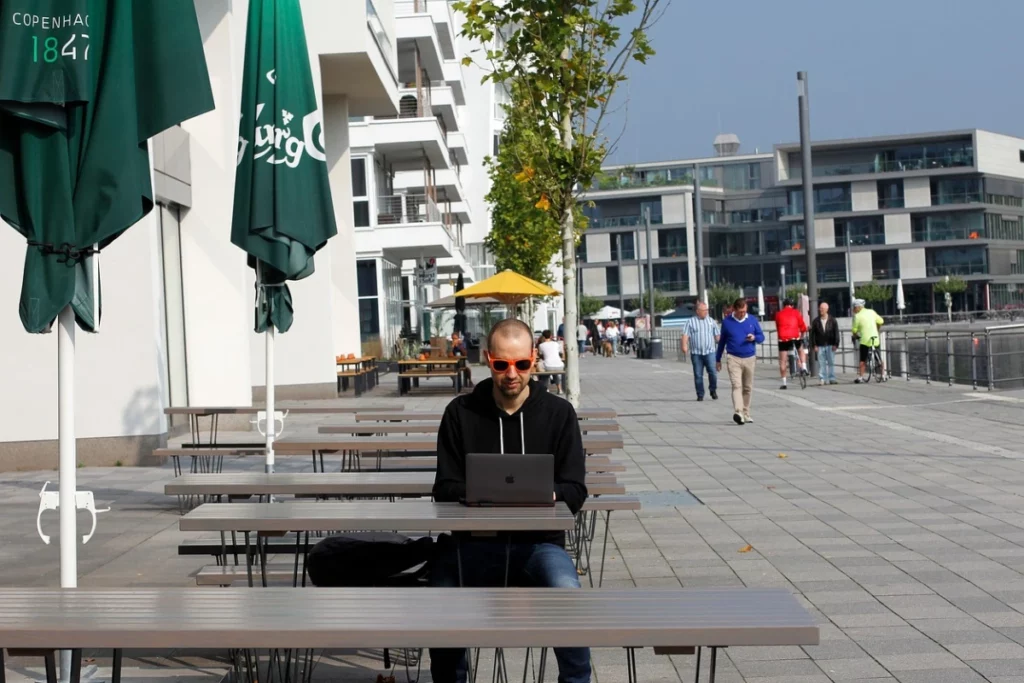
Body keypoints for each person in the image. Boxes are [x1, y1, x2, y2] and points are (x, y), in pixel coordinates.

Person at [431, 318, 590, 683]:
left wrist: (547, 494)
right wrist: (481, 494)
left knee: (568, 592)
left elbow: (576, 490)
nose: (512, 374)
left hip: (539, 545)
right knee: (440, 598)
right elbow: (444, 486)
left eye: (521, 363)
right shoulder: (460, 413)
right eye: (502, 364)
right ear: (488, 360)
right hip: (472, 546)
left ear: (534, 359)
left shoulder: (558, 413)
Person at [716, 298, 764, 425]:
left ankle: (746, 412)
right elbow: (722, 342)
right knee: (736, 385)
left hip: (749, 357)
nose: (743, 314)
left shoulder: (752, 320)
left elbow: (761, 337)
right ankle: (738, 412)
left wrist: (754, 337)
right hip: (733, 358)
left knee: (747, 387)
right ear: (734, 309)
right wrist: (718, 359)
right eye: (740, 312)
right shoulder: (727, 322)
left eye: (744, 311)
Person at [681, 302, 721, 401]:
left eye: (707, 310)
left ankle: (713, 389)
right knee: (698, 374)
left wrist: (723, 341)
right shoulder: (690, 322)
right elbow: (685, 335)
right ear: (698, 311)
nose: (706, 312)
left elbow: (717, 336)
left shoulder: (711, 321)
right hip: (696, 353)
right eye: (704, 310)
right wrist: (684, 346)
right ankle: (700, 394)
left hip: (710, 352)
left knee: (713, 372)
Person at [774, 298, 808, 390]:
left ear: (783, 305)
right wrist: (803, 332)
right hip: (794, 337)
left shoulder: (778, 314)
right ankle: (804, 367)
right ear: (792, 305)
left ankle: (784, 383)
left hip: (783, 338)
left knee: (783, 361)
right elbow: (802, 325)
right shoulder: (796, 312)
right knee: (801, 350)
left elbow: (777, 326)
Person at [851, 298, 885, 383]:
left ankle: (861, 377)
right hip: (875, 338)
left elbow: (854, 330)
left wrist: (855, 336)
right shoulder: (871, 312)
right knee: (879, 358)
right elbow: (881, 321)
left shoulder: (857, 316)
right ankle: (883, 375)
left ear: (858, 307)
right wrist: (877, 329)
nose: (853, 309)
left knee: (862, 360)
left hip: (865, 340)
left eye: (854, 307)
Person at [810, 302, 839, 385]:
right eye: (820, 308)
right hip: (820, 345)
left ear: (827, 309)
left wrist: (836, 344)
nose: (821, 310)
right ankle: (822, 378)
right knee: (821, 363)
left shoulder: (832, 320)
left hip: (830, 344)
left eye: (822, 308)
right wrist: (814, 345)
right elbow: (812, 334)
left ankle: (832, 378)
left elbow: (836, 333)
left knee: (831, 362)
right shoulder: (816, 321)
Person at [537, 329, 565, 394]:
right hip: (560, 365)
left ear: (543, 336)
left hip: (548, 366)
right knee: (554, 373)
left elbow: (540, 355)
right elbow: (560, 352)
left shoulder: (541, 345)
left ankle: (546, 389)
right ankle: (559, 389)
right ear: (551, 336)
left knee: (545, 373)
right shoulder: (556, 344)